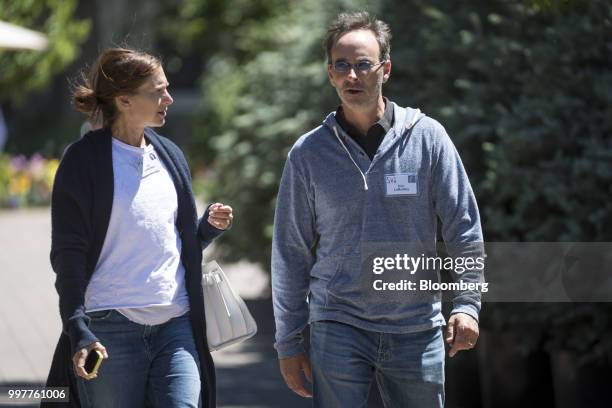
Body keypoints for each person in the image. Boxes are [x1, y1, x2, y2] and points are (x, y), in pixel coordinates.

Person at [271, 11, 483, 407]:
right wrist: (288, 340)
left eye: (363, 64)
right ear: (330, 73)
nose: (353, 76)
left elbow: (464, 228)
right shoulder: (308, 154)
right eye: (342, 65)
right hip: (338, 325)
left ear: (385, 68)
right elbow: (290, 251)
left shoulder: (428, 139)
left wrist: (468, 305)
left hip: (415, 327)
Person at [44, 48, 233, 408]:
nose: (169, 98)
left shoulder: (170, 156)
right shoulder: (83, 162)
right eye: (157, 91)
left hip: (176, 324)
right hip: (109, 329)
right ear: (124, 99)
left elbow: (173, 242)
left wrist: (205, 229)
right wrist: (77, 328)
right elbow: (68, 256)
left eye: (167, 88)